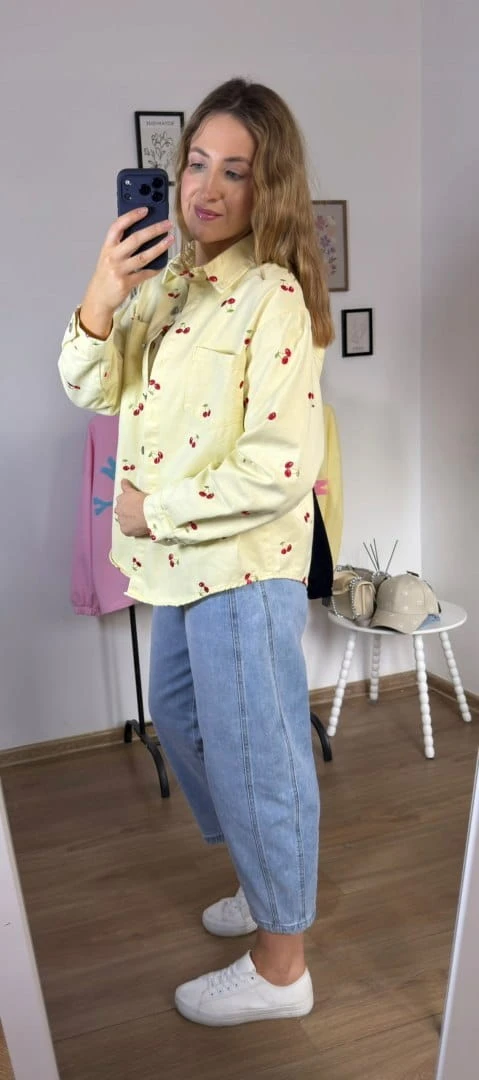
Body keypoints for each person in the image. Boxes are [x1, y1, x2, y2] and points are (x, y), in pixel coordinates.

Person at [59, 77, 334, 1027]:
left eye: (235, 172)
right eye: (196, 165)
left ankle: (282, 968)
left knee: (260, 757)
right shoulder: (167, 284)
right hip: (177, 569)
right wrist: (103, 296)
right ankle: (263, 881)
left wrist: (153, 507)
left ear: (269, 187)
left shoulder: (273, 298)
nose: (206, 189)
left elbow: (282, 467)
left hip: (240, 567)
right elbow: (91, 389)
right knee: (180, 718)